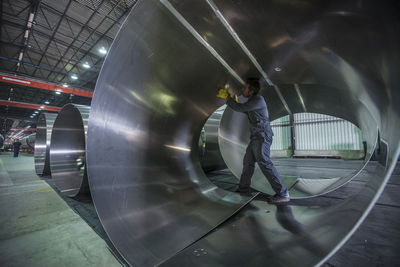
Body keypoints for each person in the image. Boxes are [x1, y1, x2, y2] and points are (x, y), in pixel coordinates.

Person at [226, 78, 290, 203]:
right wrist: (234, 101)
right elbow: (245, 110)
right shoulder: (252, 102)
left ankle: (283, 193)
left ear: (251, 90)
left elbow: (241, 108)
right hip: (256, 136)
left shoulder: (258, 99)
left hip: (262, 136)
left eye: (245, 87)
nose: (242, 89)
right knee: (248, 162)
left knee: (264, 163)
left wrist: (228, 100)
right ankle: (243, 189)